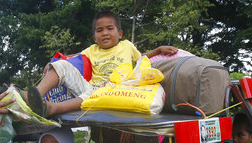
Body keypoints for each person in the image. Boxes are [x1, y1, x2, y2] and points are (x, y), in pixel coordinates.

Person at [26, 11, 178, 117]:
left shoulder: (126, 46)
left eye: (109, 29)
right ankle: (36, 95)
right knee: (63, 67)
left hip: (118, 88)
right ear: (94, 37)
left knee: (90, 96)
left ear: (120, 34)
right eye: (100, 30)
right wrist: (54, 63)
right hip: (93, 87)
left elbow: (141, 57)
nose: (105, 33)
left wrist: (158, 49)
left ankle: (52, 108)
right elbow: (72, 58)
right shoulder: (92, 49)